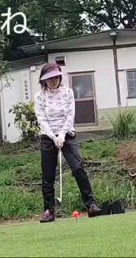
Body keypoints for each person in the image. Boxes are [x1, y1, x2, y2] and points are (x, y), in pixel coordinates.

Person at [34, 63, 102, 222]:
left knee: (78, 168)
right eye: (49, 79)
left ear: (59, 78)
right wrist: (54, 137)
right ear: (44, 81)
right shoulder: (39, 96)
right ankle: (49, 211)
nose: (53, 81)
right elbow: (41, 119)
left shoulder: (68, 93)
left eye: (55, 78)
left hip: (67, 135)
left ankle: (91, 205)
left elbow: (70, 115)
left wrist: (63, 135)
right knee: (48, 175)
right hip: (48, 137)